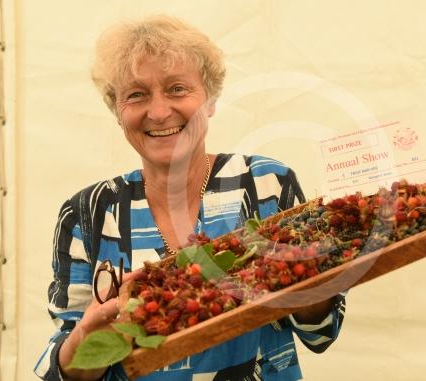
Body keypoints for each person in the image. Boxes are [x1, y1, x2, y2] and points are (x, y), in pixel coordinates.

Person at [34, 15, 346, 381]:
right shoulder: (89, 212)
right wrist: (89, 332)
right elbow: (66, 372)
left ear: (210, 100)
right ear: (117, 111)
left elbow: (321, 332)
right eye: (136, 94)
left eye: (177, 89)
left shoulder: (265, 184)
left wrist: (311, 273)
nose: (160, 111)